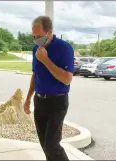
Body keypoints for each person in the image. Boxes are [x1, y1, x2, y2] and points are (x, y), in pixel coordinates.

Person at [23, 16, 74, 161]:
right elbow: (35, 75)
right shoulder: (36, 49)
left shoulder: (64, 48)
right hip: (40, 102)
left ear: (49, 32)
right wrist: (28, 99)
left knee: (52, 145)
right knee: (45, 145)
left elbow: (67, 79)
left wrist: (46, 60)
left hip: (57, 102)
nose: (35, 39)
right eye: (33, 36)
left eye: (39, 36)